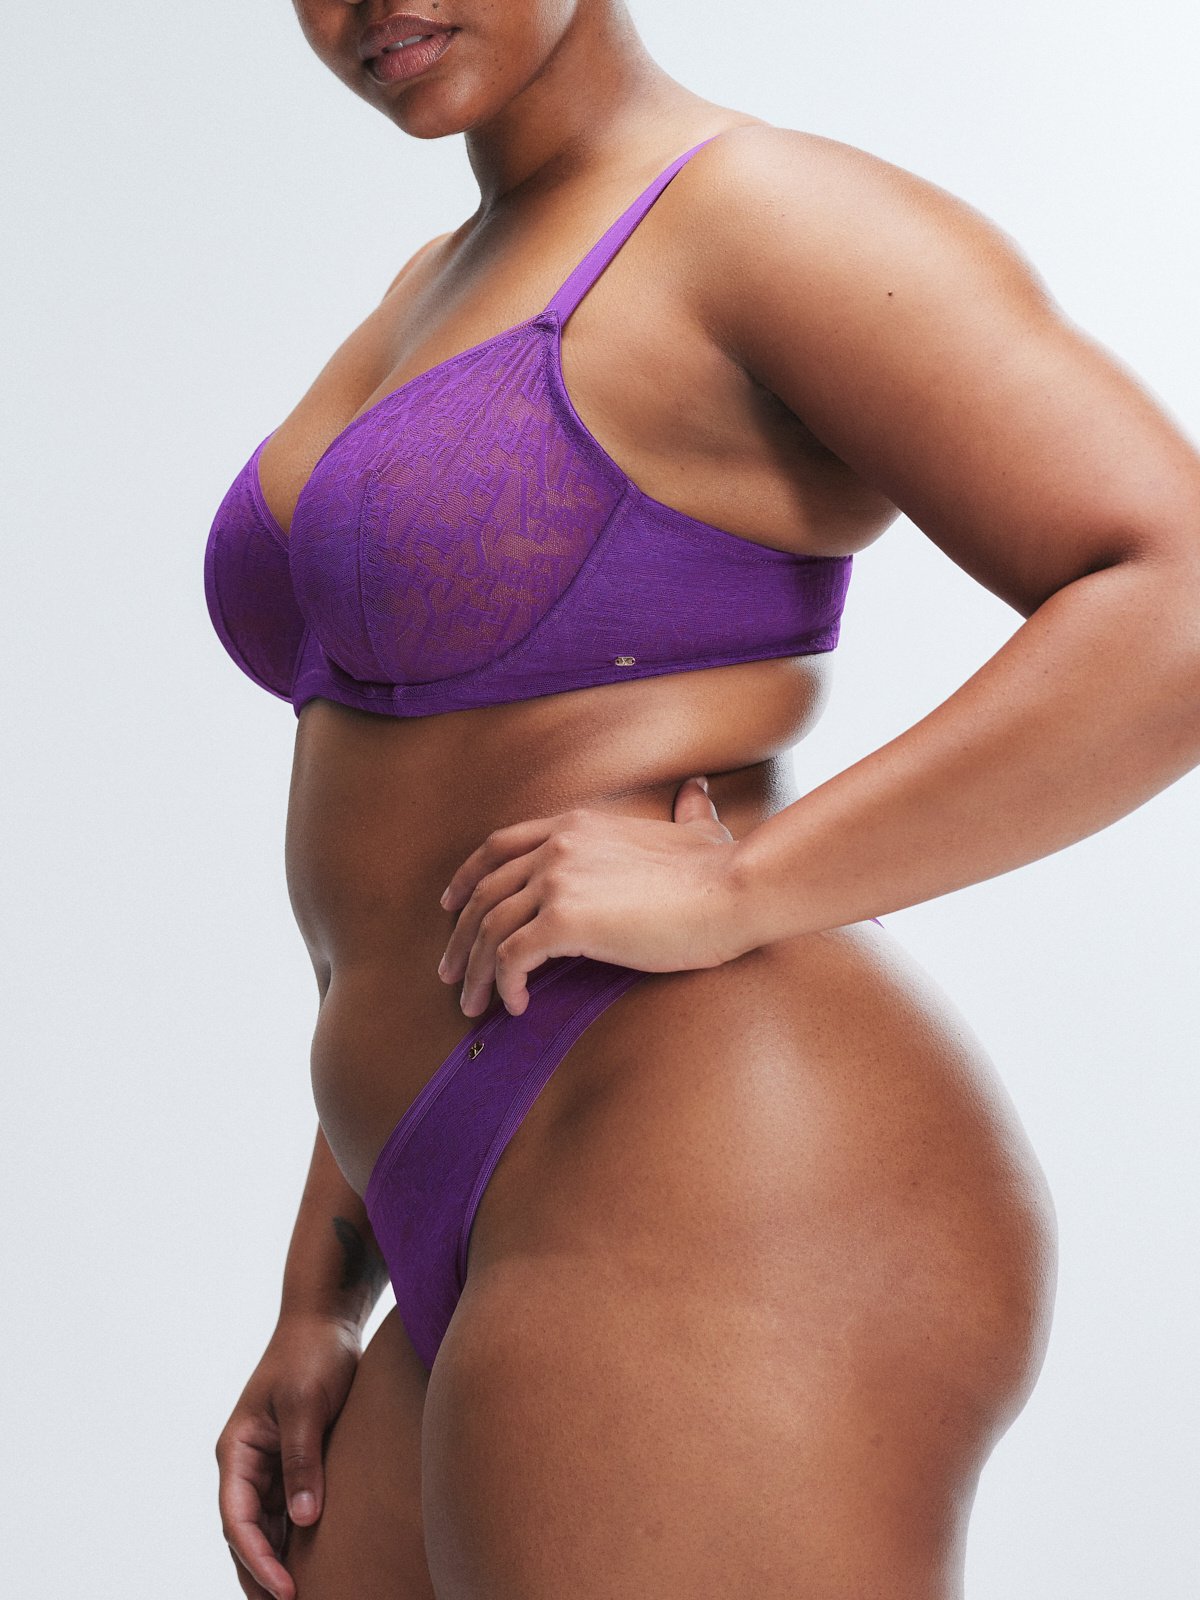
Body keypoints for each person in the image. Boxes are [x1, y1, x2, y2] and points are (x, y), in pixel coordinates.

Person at [206, 3, 1200, 1597]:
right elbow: (420, 848)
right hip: (468, 1189)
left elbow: (1176, 593)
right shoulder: (433, 283)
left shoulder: (758, 215)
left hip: (713, 1160)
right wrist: (324, 1288)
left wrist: (747, 881)